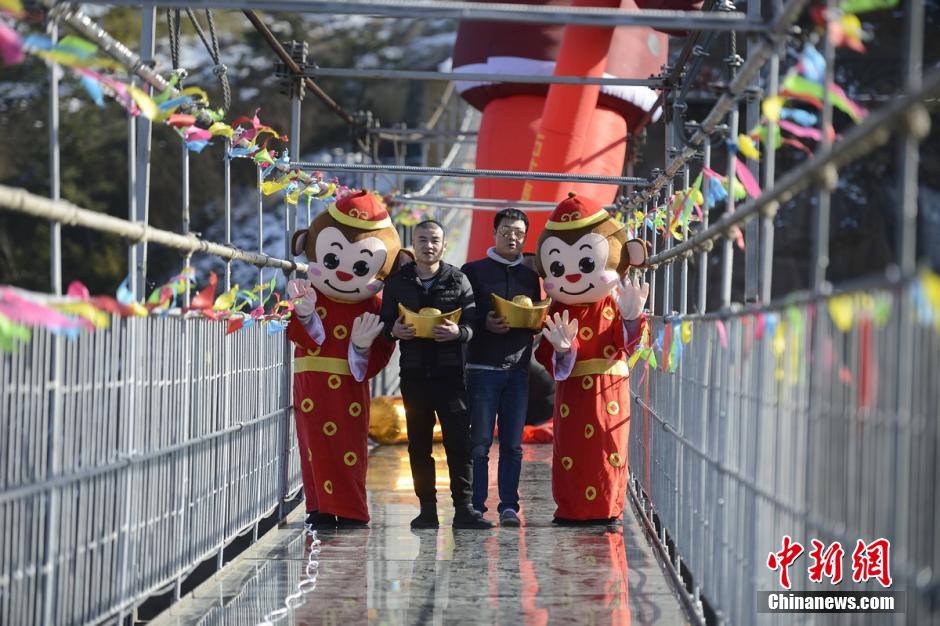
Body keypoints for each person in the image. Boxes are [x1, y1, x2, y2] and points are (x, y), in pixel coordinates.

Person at [285, 190, 407, 529]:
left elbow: (382, 351)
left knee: (349, 446)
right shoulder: (310, 295)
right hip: (310, 383)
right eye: (333, 260)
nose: (341, 273)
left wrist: (362, 347)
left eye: (358, 265)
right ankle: (319, 507)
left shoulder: (375, 306)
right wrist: (305, 317)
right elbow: (295, 336)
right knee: (313, 448)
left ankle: (351, 509)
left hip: (349, 388)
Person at [533, 192, 649, 528]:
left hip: (608, 388)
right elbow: (546, 355)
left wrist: (631, 318)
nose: (570, 276)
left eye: (585, 263)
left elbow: (628, 347)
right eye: (558, 266)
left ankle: (607, 508)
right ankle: (570, 509)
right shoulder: (556, 309)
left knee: (608, 445)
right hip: (571, 392)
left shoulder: (613, 301)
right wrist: (563, 352)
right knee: (569, 450)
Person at [380, 220, 493, 530]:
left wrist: (459, 333)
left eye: (434, 240)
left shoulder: (458, 280)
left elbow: (474, 325)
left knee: (459, 442)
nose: (428, 245)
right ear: (412, 245)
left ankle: (464, 509)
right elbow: (385, 324)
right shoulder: (398, 282)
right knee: (419, 444)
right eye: (422, 240)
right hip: (414, 375)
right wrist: (394, 330)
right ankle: (427, 509)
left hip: (450, 375)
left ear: (444, 246)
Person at [461, 208, 541, 526]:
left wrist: (534, 322)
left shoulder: (530, 276)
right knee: (479, 442)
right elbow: (463, 314)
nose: (513, 237)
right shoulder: (474, 271)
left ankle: (509, 505)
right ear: (494, 233)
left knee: (512, 443)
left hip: (518, 370)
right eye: (506, 230)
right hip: (481, 368)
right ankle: (476, 505)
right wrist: (485, 323)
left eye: (519, 232)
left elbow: (534, 318)